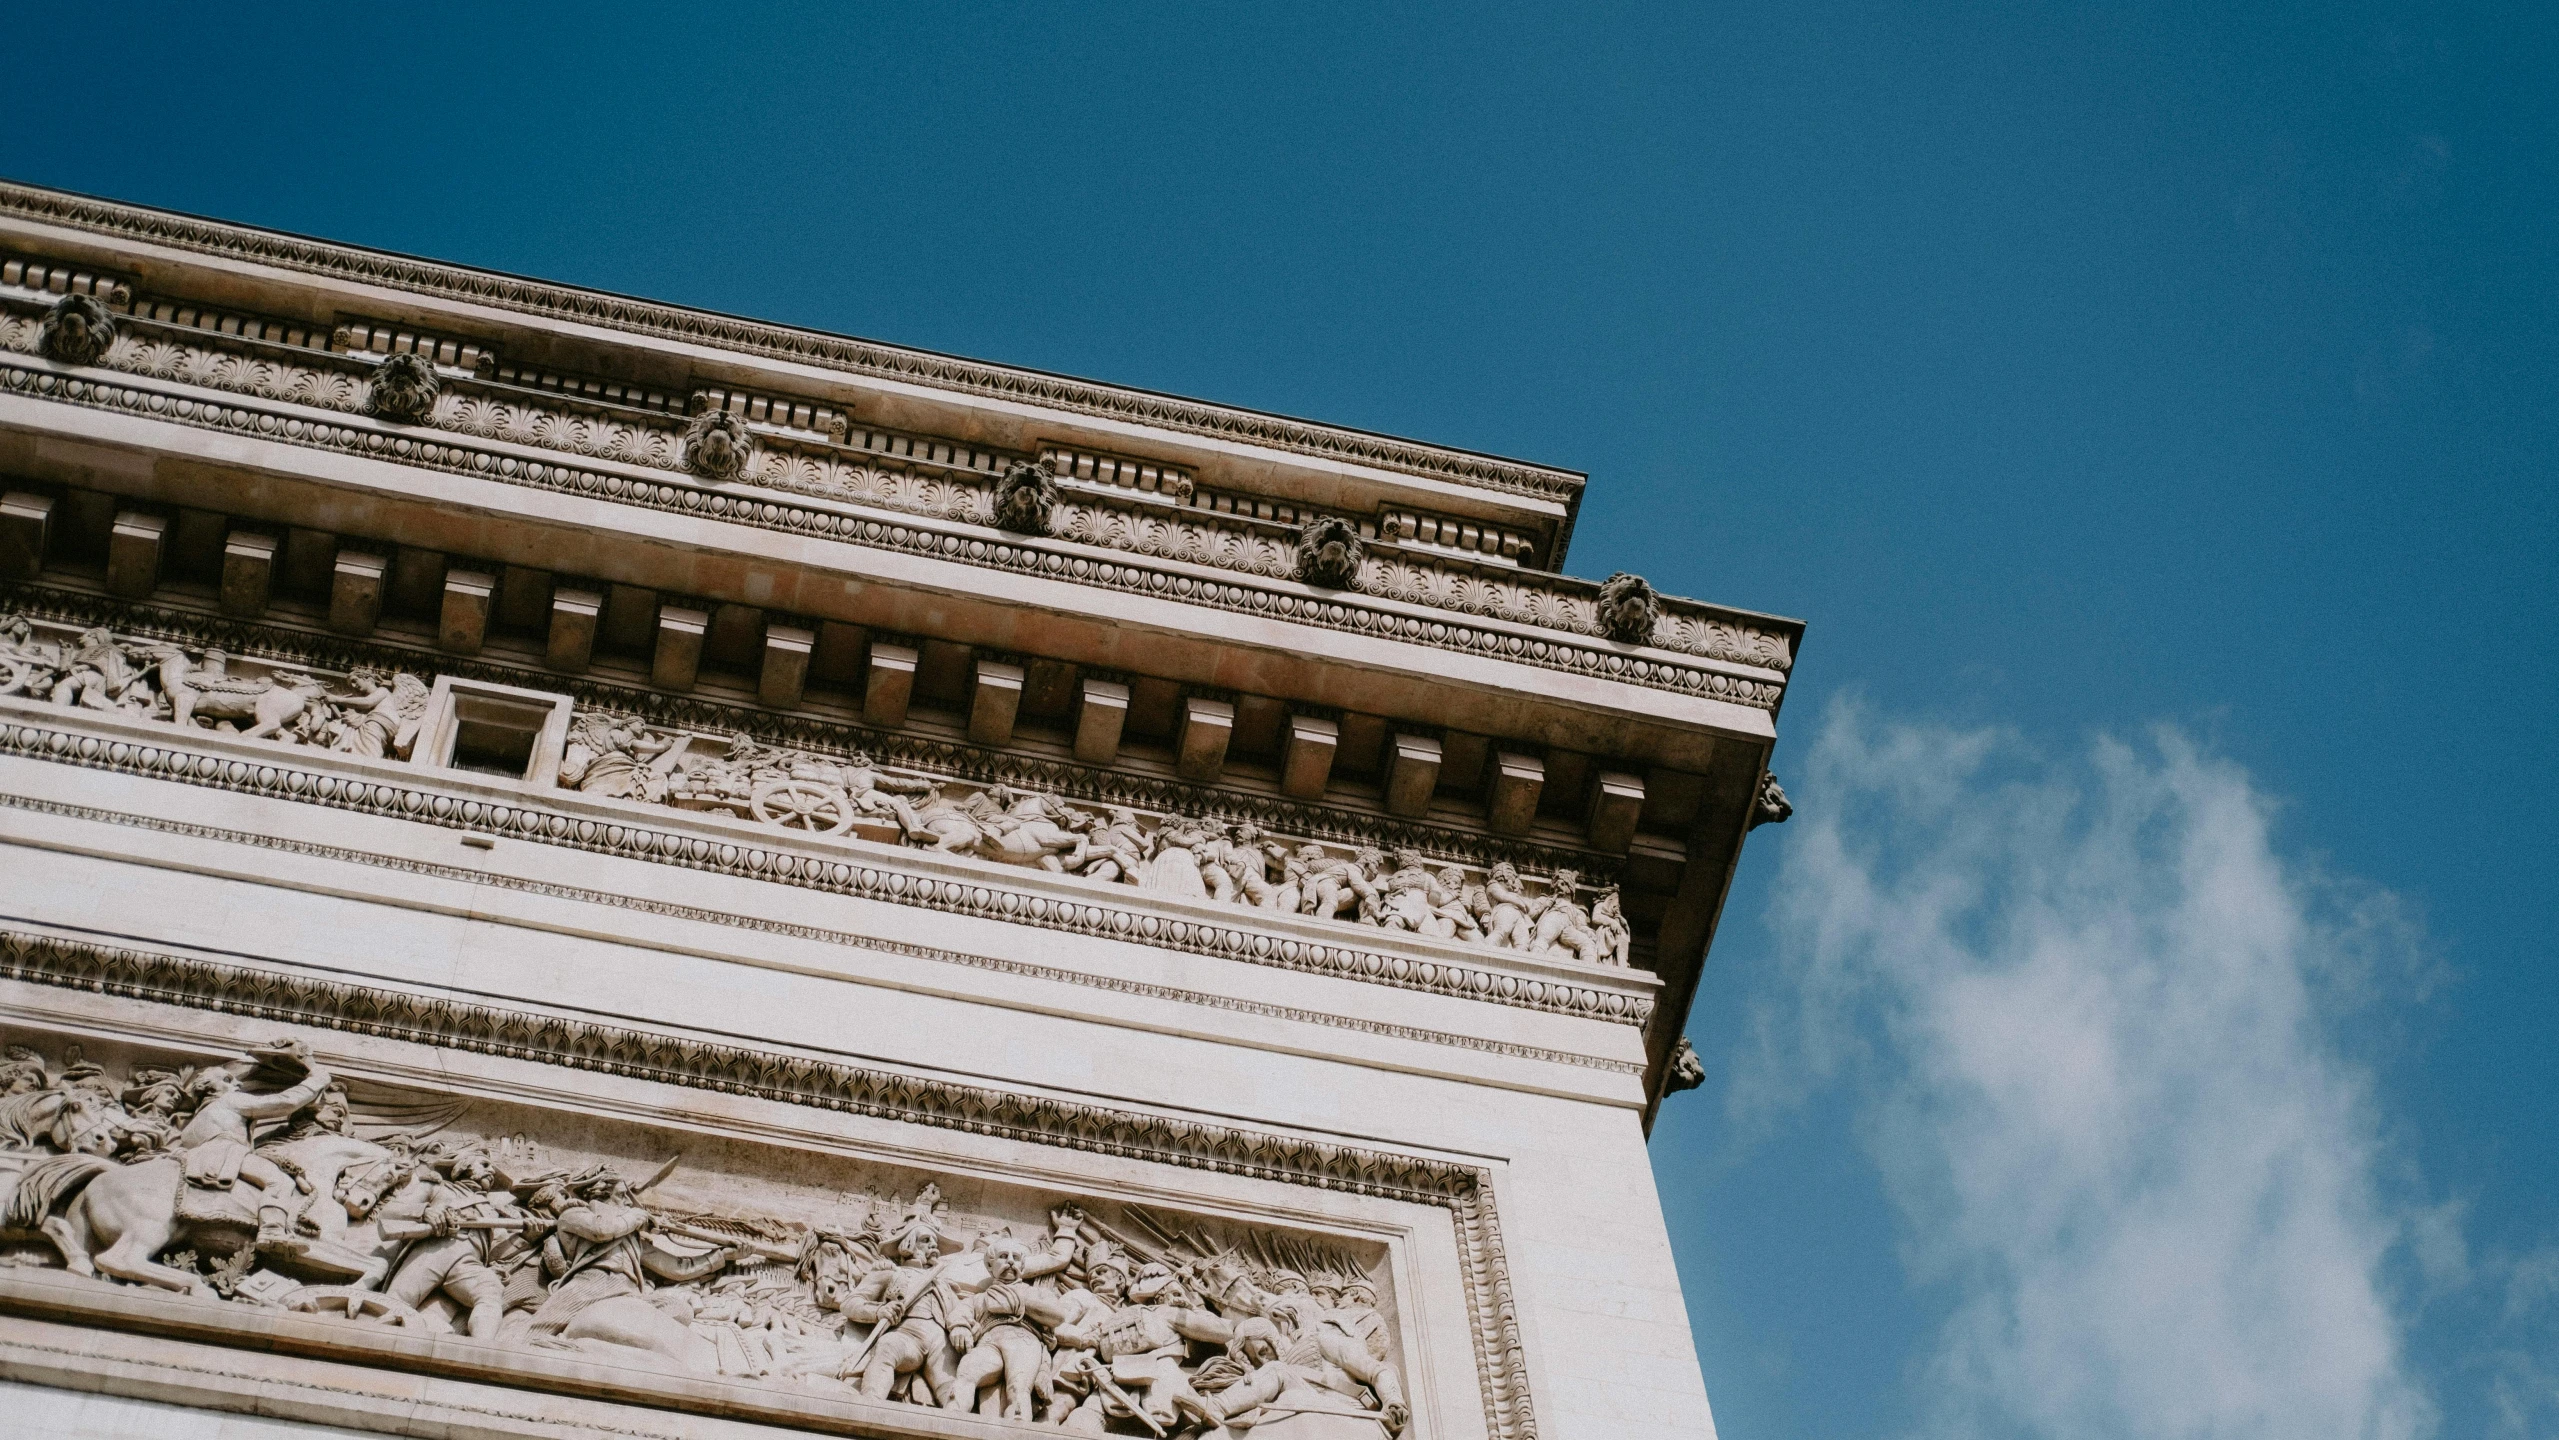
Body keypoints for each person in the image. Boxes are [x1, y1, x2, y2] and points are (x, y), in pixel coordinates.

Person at [170, 1039, 335, 1248]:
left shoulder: (190, 1126)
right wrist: (317, 1076)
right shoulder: (229, 1101)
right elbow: (285, 1102)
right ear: (208, 1087)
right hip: (228, 1154)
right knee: (279, 1181)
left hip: (201, 1160)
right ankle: (272, 1231)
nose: (237, 1084)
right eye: (228, 1079)